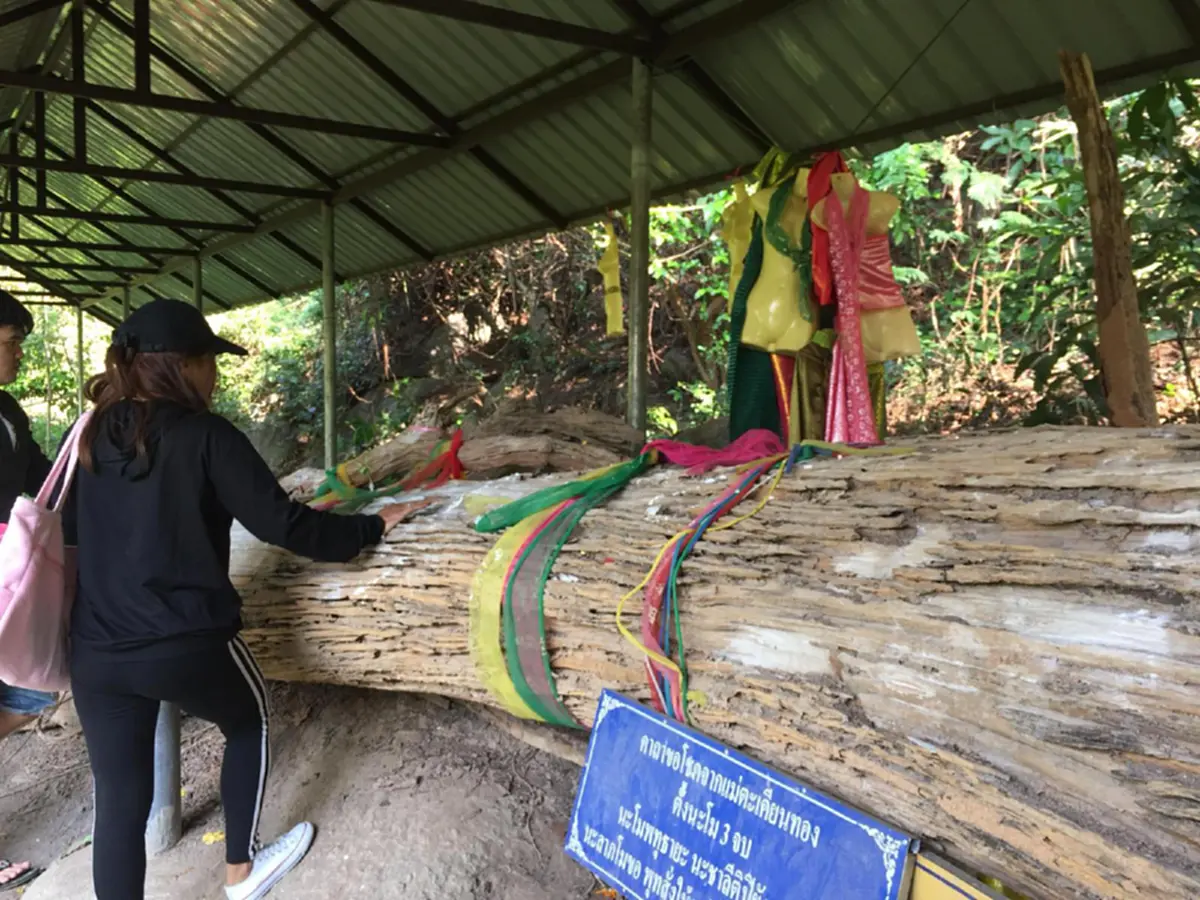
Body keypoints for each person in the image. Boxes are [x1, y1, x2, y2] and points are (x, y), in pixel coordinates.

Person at [63, 299, 429, 900]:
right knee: (248, 720)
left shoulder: (92, 434)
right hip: (184, 644)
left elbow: (72, 533)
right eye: (211, 362)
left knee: (119, 804)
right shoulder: (207, 435)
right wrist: (372, 526)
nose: (216, 375)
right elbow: (284, 525)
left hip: (97, 653)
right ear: (183, 365)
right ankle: (241, 872)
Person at [0, 289, 55, 892]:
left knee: (33, 690)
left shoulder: (8, 410)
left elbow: (43, 476)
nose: (17, 353)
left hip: (11, 575)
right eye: (11, 342)